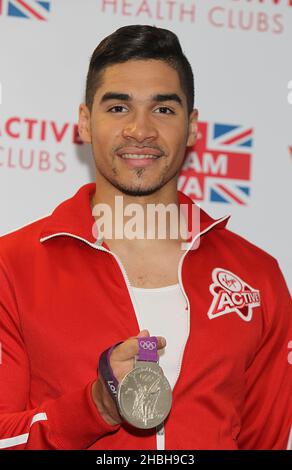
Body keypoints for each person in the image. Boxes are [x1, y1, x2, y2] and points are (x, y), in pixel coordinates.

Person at [0, 24, 291, 451]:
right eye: (118, 108)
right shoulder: (11, 265)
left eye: (163, 109)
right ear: (84, 122)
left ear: (192, 127)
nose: (140, 129)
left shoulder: (257, 277)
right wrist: (95, 406)